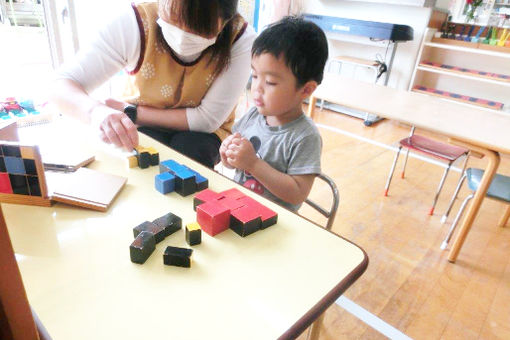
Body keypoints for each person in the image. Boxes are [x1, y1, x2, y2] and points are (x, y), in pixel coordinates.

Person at [50, 0, 255, 168]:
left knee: (191, 153)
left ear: (226, 20)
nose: (183, 35)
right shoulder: (135, 23)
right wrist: (96, 112)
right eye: (173, 18)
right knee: (139, 154)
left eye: (199, 29)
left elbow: (206, 119)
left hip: (203, 134)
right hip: (144, 126)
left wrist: (130, 112)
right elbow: (61, 86)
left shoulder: (240, 39)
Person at [219, 16, 328, 211]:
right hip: (238, 207)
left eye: (270, 82)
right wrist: (228, 155)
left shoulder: (305, 137)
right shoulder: (254, 116)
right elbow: (236, 164)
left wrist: (253, 164)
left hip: (273, 223)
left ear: (306, 90)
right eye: (254, 76)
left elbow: (297, 193)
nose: (257, 88)